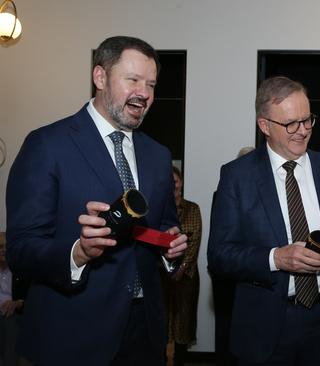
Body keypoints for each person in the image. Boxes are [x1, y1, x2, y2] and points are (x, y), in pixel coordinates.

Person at [6, 36, 187, 365]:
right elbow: (21, 249)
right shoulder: (47, 145)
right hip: (72, 335)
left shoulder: (159, 156)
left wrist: (170, 249)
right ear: (100, 77)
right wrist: (78, 253)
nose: (144, 93)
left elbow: (163, 227)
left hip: (145, 334)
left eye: (151, 84)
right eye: (132, 80)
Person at [207, 76, 320, 366]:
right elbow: (220, 256)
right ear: (264, 126)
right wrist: (276, 258)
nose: (303, 131)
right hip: (265, 325)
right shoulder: (237, 176)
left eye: (307, 120)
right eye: (291, 124)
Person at [211, 146, 254, 366]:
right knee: (227, 339)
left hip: (257, 282)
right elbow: (218, 246)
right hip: (228, 283)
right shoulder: (222, 195)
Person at [162, 167, 202, 366]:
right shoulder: (158, 207)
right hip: (160, 275)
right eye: (169, 181)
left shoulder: (192, 208)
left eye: (176, 180)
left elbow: (193, 243)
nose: (173, 184)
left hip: (186, 277)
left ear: (181, 182)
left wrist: (180, 269)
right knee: (161, 324)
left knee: (183, 326)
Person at [0, 232, 23, 366]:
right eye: (0, 246)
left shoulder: (20, 270)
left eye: (6, 246)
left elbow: (30, 299)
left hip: (14, 315)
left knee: (10, 321)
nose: (3, 250)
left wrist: (17, 303)